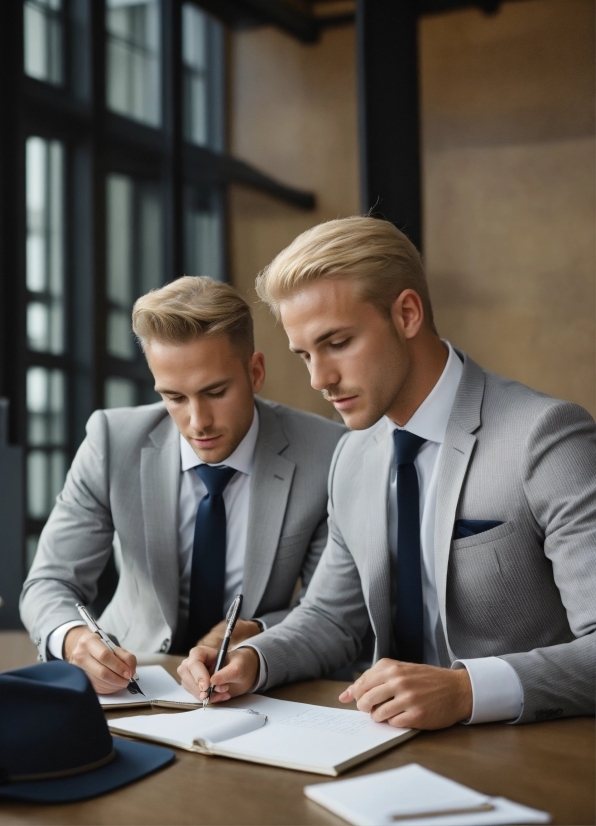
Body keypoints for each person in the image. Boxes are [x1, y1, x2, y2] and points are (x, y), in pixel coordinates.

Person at [178, 216, 596, 728]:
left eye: (337, 343)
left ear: (407, 313)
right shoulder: (352, 456)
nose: (319, 379)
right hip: (378, 744)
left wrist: (466, 691)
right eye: (305, 354)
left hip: (526, 753)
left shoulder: (546, 437)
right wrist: (254, 660)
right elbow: (332, 617)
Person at [20, 276, 345, 694]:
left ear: (255, 371)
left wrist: (257, 635)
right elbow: (49, 583)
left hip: (259, 686)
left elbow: (331, 613)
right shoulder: (111, 441)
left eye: (215, 392)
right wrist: (73, 640)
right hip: (130, 683)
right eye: (174, 397)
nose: (198, 422)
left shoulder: (327, 453)